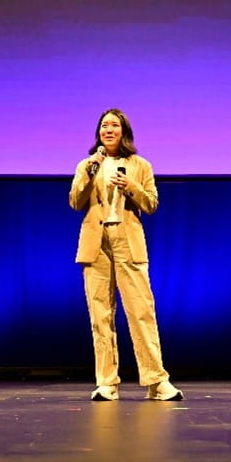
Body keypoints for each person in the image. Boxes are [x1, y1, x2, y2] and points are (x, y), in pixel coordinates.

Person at [69, 108, 183, 401]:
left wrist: (130, 185)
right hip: (96, 243)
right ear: (99, 132)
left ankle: (156, 382)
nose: (108, 130)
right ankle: (106, 383)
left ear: (124, 132)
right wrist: (89, 173)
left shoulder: (140, 165)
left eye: (114, 126)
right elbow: (75, 201)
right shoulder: (87, 164)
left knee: (141, 311)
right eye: (104, 125)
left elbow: (151, 204)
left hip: (127, 241)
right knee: (100, 316)